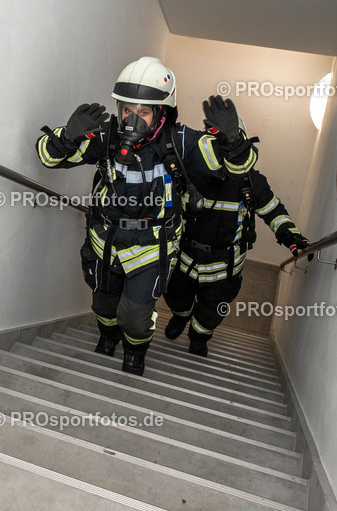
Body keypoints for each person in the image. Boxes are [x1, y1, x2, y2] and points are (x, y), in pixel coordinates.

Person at [36, 56, 257, 376]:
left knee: (137, 315)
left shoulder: (180, 141)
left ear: (162, 112)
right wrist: (66, 138)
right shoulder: (107, 137)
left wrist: (234, 142)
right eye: (127, 109)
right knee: (103, 305)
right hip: (106, 241)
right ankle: (108, 336)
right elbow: (48, 157)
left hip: (153, 247)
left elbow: (234, 167)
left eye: (144, 111)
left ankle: (135, 351)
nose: (132, 119)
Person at [162, 166, 311, 356]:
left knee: (212, 312)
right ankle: (181, 316)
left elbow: (273, 210)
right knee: (175, 295)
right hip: (186, 255)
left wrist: (291, 236)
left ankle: (199, 336)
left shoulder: (250, 181)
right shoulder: (188, 170)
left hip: (224, 265)